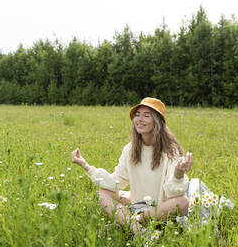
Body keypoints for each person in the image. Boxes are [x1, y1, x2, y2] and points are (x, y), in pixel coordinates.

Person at [71, 97, 193, 234]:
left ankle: (133, 221)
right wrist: (87, 167)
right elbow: (115, 182)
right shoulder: (130, 149)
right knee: (103, 193)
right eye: (137, 115)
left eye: (146, 115)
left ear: (158, 121)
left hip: (161, 208)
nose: (139, 119)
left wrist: (178, 174)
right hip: (138, 203)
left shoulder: (171, 150)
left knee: (182, 201)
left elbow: (174, 194)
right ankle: (140, 232)